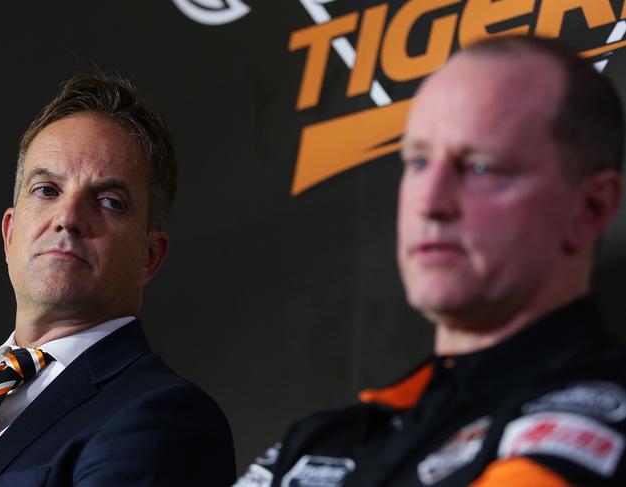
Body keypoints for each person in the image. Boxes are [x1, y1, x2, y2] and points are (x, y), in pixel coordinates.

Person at [236, 35, 626, 486]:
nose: (431, 202)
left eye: (480, 167)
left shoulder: (593, 422)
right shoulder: (319, 441)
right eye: (418, 162)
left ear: (590, 208)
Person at [0, 74, 236, 485]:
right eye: (46, 190)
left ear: (149, 257)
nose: (68, 217)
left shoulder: (164, 416)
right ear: (9, 234)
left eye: (109, 202)